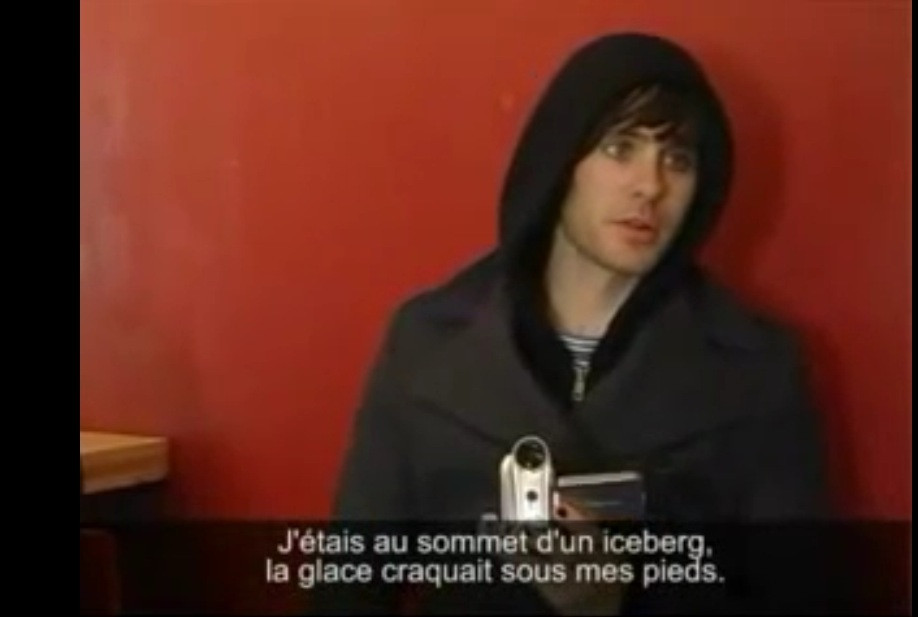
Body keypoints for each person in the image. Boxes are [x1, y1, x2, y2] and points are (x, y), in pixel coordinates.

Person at [320, 31, 831, 615]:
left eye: (678, 160)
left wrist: (618, 600)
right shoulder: (426, 342)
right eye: (620, 148)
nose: (651, 185)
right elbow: (348, 585)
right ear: (561, 160)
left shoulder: (757, 370)